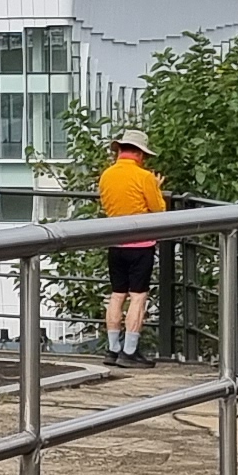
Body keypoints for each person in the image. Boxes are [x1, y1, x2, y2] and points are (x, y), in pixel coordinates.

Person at [96, 128, 167, 360]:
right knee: (138, 296)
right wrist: (156, 187)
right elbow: (159, 209)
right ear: (139, 154)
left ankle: (112, 348)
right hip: (140, 244)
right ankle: (129, 350)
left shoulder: (106, 175)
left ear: (120, 151)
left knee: (117, 295)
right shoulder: (144, 177)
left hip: (115, 241)